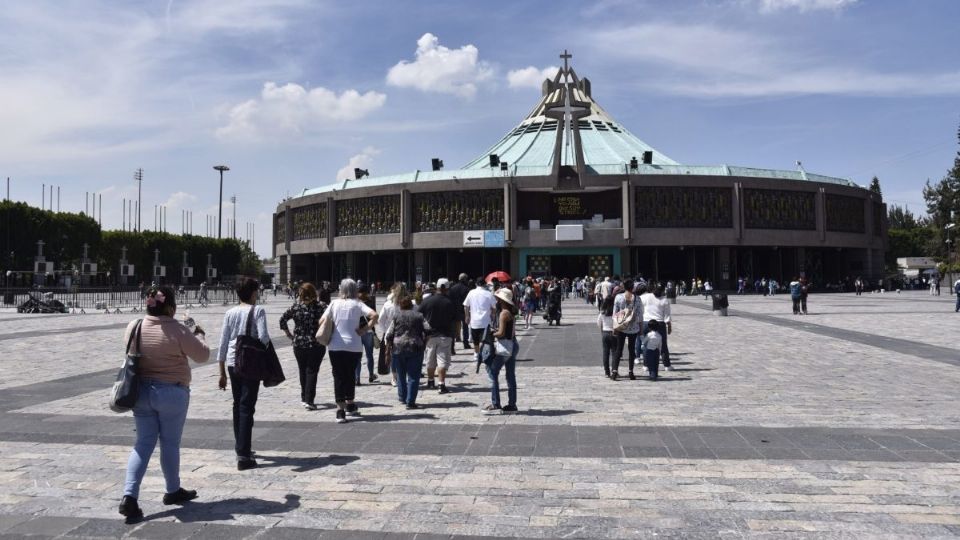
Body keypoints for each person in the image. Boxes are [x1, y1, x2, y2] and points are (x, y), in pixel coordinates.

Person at [118, 286, 210, 524]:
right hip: (172, 393)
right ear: (169, 307)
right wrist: (198, 333)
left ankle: (130, 496)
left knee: (143, 444)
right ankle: (172, 489)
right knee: (170, 443)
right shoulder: (178, 330)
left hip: (141, 394)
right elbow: (202, 355)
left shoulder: (134, 327)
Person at [217, 278, 269, 471]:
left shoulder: (230, 313)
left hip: (232, 362)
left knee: (237, 404)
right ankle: (244, 455)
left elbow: (223, 342)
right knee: (247, 406)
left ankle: (240, 446)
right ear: (253, 293)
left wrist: (221, 372)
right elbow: (263, 337)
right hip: (249, 362)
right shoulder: (258, 311)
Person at [322, 279, 378, 423]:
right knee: (350, 375)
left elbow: (322, 320)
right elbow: (374, 315)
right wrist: (364, 329)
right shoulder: (358, 304)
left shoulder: (334, 303)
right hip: (354, 345)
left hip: (336, 345)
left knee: (338, 375)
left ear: (341, 289)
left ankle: (340, 410)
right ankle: (350, 403)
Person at [279, 282, 327, 411]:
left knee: (302, 370)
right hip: (315, 343)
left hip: (298, 344)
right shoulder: (321, 306)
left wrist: (289, 335)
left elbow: (282, 320)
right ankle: (309, 400)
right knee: (312, 371)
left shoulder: (295, 307)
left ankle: (304, 397)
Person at [385, 294, 426, 409]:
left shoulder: (396, 316)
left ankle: (402, 397)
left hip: (398, 348)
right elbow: (428, 329)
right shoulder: (419, 316)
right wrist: (423, 342)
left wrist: (388, 350)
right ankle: (410, 401)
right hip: (415, 347)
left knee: (401, 374)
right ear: (412, 305)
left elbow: (389, 334)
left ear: (400, 306)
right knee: (414, 375)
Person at [418, 278, 457, 393]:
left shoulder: (427, 301)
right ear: (446, 288)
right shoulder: (449, 302)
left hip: (430, 335)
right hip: (445, 334)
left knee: (430, 359)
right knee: (442, 360)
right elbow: (454, 318)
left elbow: (419, 315)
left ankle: (430, 382)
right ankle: (441, 384)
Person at [483, 288, 518, 414]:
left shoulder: (504, 313)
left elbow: (502, 333)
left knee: (492, 372)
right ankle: (512, 404)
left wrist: (492, 333)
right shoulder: (510, 312)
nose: (496, 300)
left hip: (504, 347)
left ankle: (496, 404)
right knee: (510, 375)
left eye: (498, 299)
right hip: (513, 344)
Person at [376, 282, 406, 387]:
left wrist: (386, 330)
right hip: (405, 333)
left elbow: (380, 320)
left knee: (393, 356)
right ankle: (401, 375)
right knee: (403, 356)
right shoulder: (408, 303)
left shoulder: (388, 305)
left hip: (390, 334)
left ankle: (394, 377)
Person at [611, 279, 641, 380]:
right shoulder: (637, 298)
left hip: (621, 327)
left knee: (618, 350)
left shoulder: (619, 297)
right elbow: (640, 315)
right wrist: (640, 329)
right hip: (633, 327)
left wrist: (614, 327)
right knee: (631, 350)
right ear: (633, 287)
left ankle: (614, 371)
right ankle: (631, 372)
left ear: (624, 286)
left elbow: (615, 313)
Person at [638, 284, 673, 372]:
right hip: (659, 323)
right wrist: (669, 326)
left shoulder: (645, 297)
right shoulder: (664, 300)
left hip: (646, 322)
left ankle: (646, 365)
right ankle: (667, 365)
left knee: (646, 344)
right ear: (663, 291)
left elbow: (640, 308)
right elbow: (667, 316)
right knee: (663, 345)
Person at [464, 277, 497, 364]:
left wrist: (467, 316)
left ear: (476, 284)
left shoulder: (471, 292)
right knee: (485, 339)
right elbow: (494, 307)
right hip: (485, 320)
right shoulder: (488, 293)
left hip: (474, 320)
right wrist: (493, 316)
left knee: (475, 339)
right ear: (485, 284)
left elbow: (466, 305)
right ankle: (484, 354)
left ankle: (476, 354)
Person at [354, 283, 378, 385]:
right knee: (369, 355)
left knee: (357, 356)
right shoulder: (370, 301)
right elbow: (375, 316)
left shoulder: (354, 303)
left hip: (357, 331)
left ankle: (357, 378)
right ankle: (371, 375)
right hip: (368, 331)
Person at [448, 274, 471, 350]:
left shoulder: (452, 288)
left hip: (454, 310)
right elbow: (468, 302)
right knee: (465, 327)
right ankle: (466, 343)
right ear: (464, 279)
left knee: (453, 328)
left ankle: (452, 347)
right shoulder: (466, 289)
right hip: (463, 311)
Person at [597, 295, 617, 378]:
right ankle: (614, 370)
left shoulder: (602, 312)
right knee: (614, 353)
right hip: (614, 333)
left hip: (605, 333)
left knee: (606, 353)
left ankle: (606, 372)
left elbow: (598, 323)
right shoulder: (615, 312)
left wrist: (602, 330)